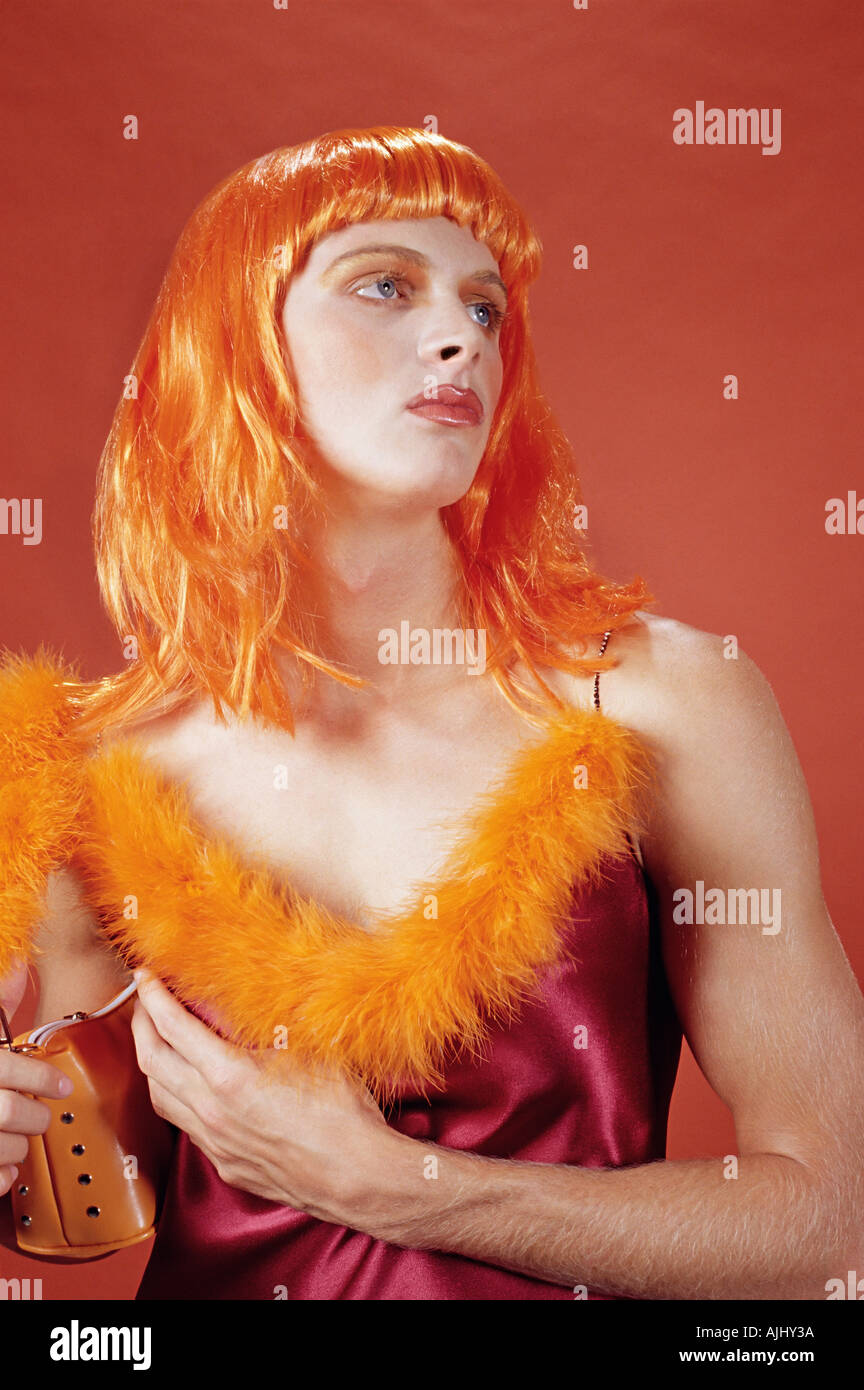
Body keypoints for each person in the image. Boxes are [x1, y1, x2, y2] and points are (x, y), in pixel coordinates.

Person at [0, 126, 862, 1301]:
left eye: (487, 307)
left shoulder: (666, 703)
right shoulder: (90, 767)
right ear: (236, 343)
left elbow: (833, 1219)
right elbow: (83, 1208)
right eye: (385, 286)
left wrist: (392, 1185)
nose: (461, 334)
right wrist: (23, 1145)